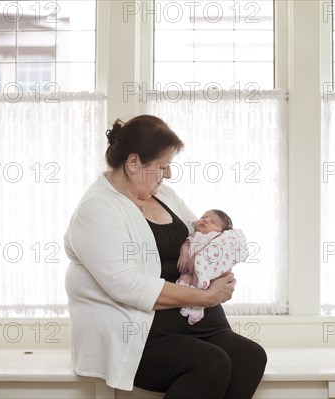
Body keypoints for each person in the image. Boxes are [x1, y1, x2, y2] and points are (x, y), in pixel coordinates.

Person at [64, 115, 267, 399]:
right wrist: (208, 298)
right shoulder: (97, 209)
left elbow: (202, 237)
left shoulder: (164, 194)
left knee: (251, 357)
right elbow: (127, 285)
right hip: (140, 331)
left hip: (193, 322)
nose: (168, 174)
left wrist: (222, 255)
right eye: (162, 166)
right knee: (211, 364)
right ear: (133, 163)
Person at [176, 209, 240, 325]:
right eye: (204, 217)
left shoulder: (216, 237)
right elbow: (186, 244)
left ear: (220, 230)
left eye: (213, 222)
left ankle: (197, 308)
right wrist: (184, 254)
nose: (205, 220)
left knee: (201, 286)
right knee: (183, 280)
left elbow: (214, 249)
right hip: (191, 272)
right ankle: (185, 304)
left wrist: (198, 255)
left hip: (207, 273)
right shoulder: (194, 235)